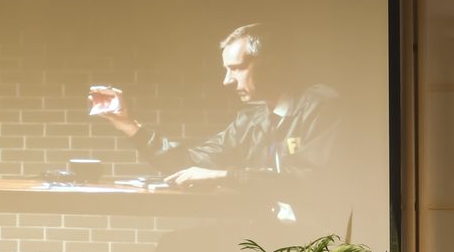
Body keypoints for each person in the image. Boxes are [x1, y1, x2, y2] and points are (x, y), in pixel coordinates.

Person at [88, 24, 340, 206]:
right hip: (267, 234)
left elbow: (309, 182)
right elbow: (190, 163)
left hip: (318, 241)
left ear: (271, 63)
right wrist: (128, 125)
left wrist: (224, 176)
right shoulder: (252, 119)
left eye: (237, 69)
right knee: (176, 250)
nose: (226, 81)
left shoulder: (321, 105)